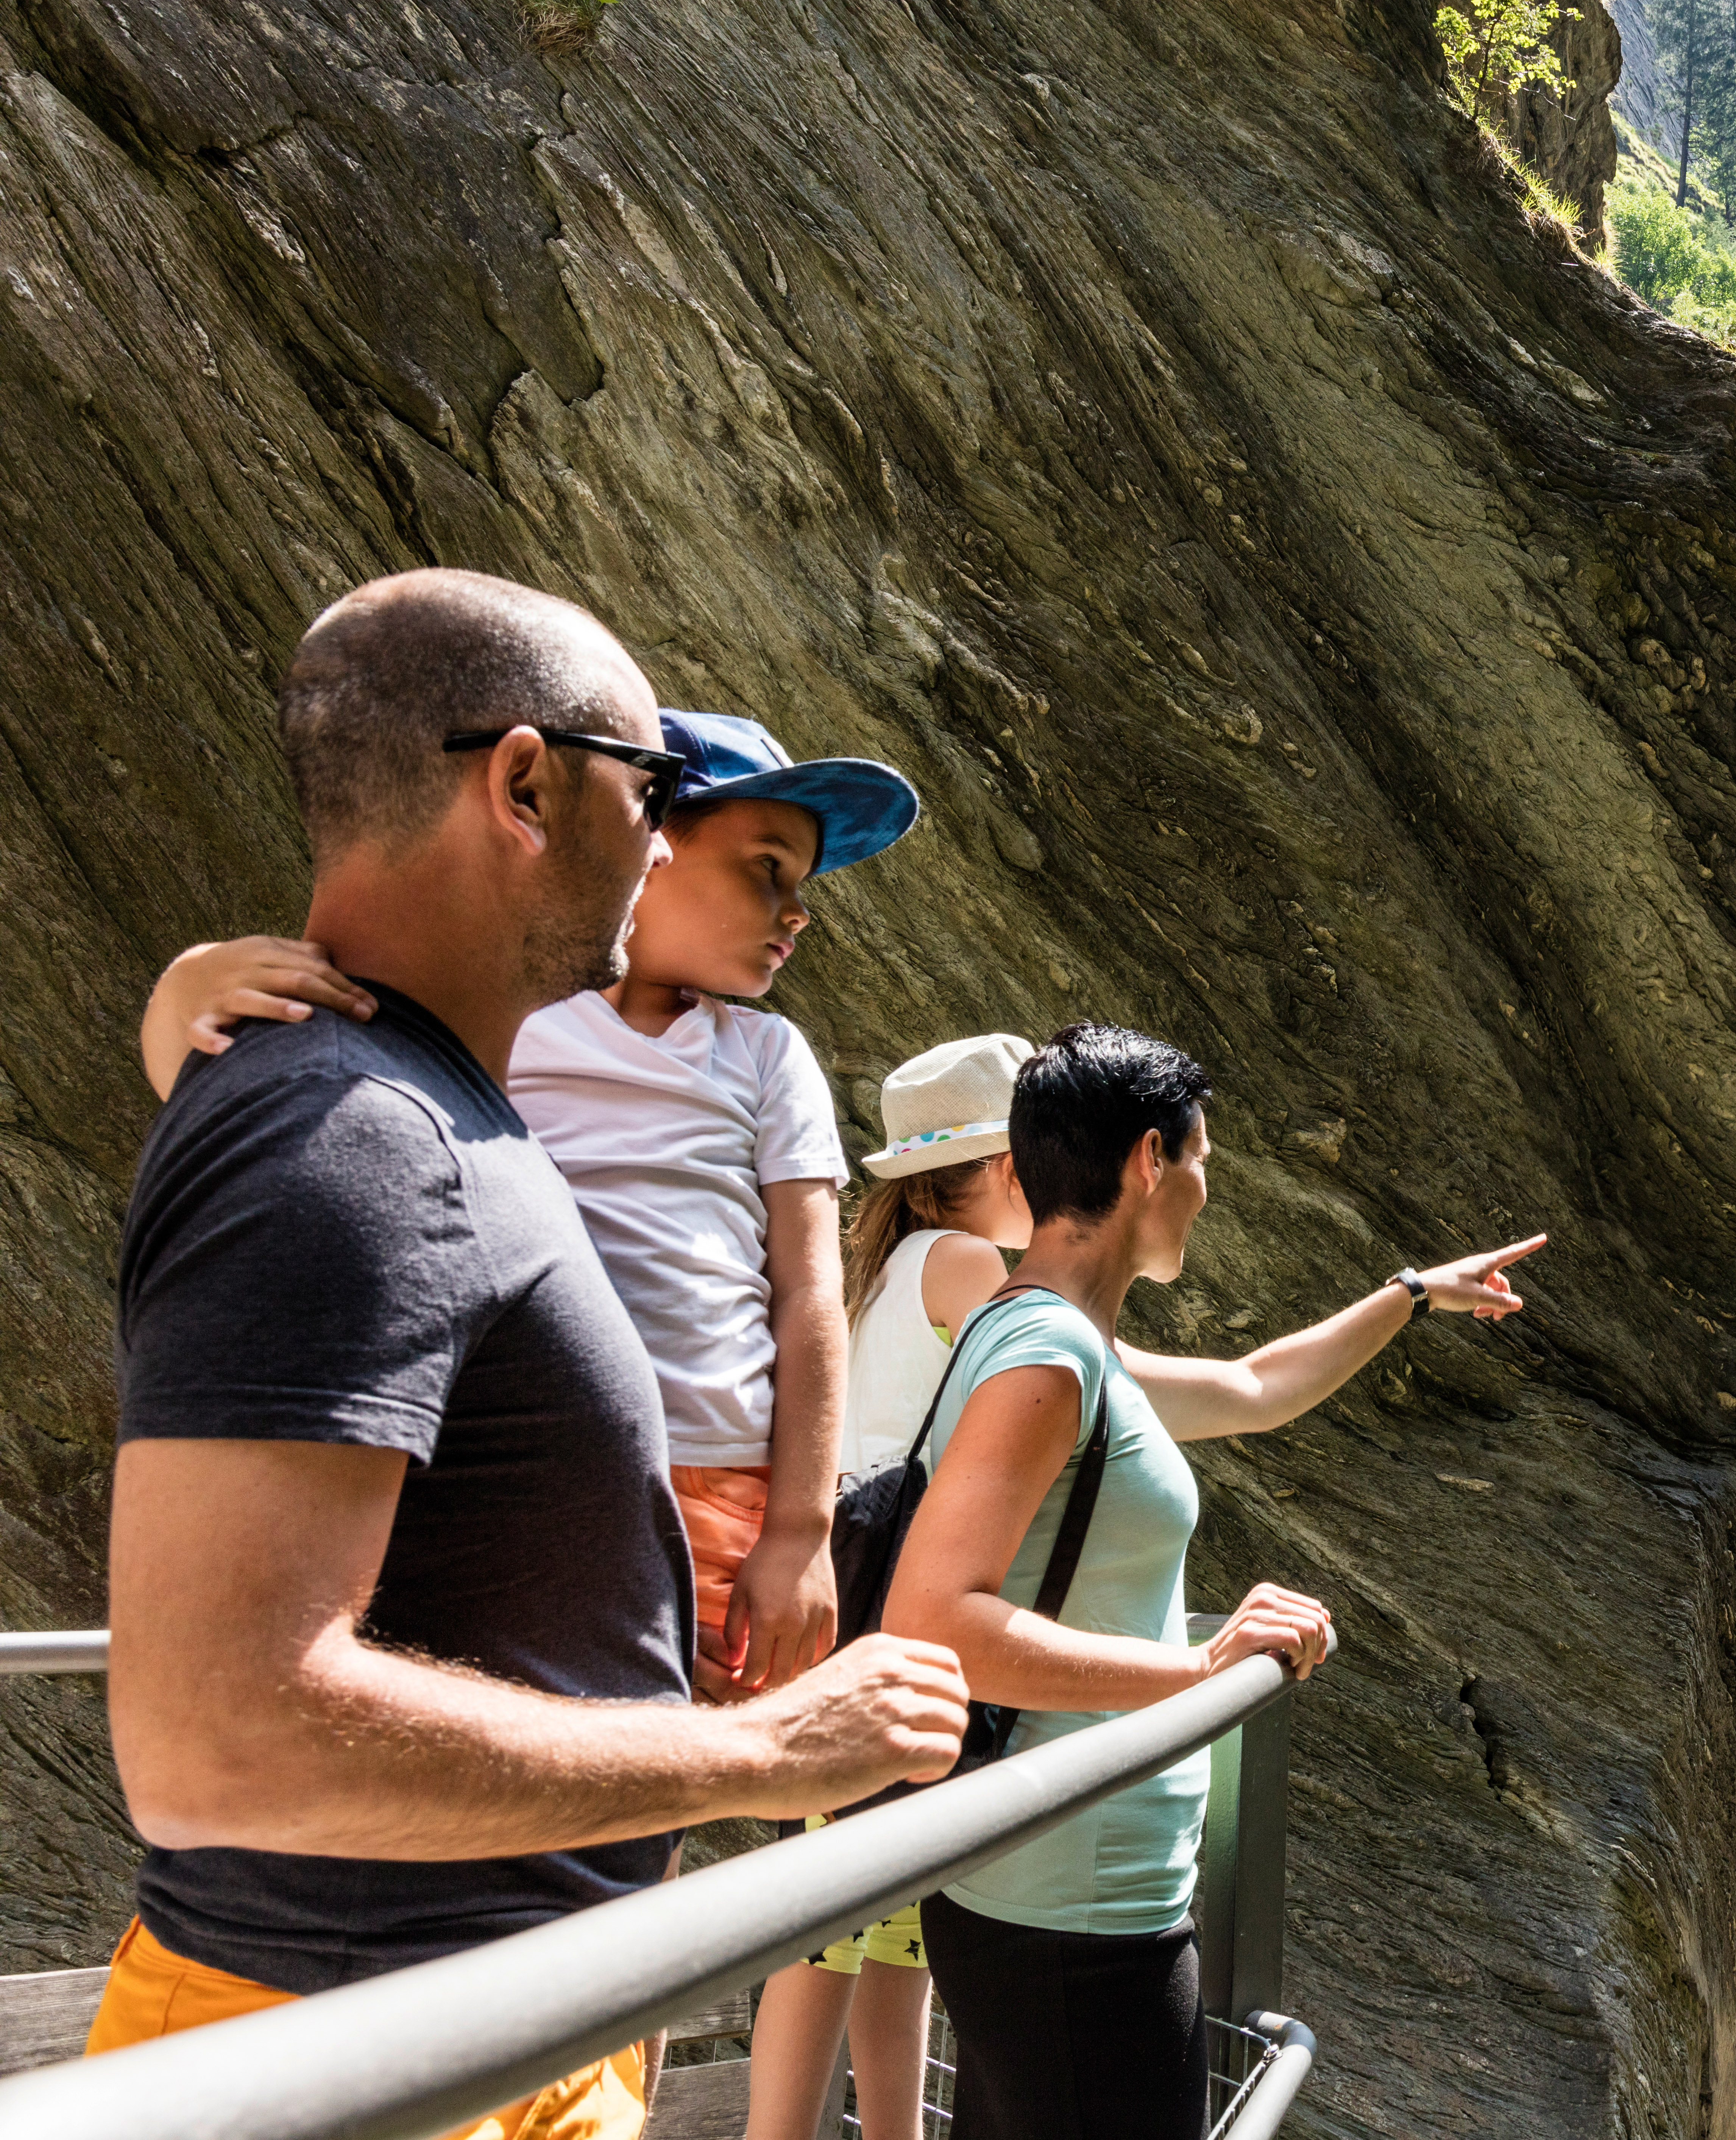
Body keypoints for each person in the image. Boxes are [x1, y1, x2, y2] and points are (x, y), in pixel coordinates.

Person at [98, 569, 965, 2137]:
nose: (656, 836)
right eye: (650, 792)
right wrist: (753, 1748)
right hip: (351, 2039)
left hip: (484, 2019)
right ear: (523, 782)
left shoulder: (424, 1112)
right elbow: (216, 1736)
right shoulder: (352, 1134)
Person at [146, 710, 924, 1707]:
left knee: (668, 1761)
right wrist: (184, 993)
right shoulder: (509, 1008)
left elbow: (809, 1298)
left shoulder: (767, 1056)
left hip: (720, 1474)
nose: (797, 911)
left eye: (803, 885)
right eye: (768, 868)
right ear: (646, 845)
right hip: (527, 1450)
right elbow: (292, 1092)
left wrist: (800, 1535)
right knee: (519, 1729)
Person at [885, 1022, 1544, 2140]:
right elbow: (936, 1623)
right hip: (1073, 1912)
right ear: (1150, 1160)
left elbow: (1250, 1386)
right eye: (1202, 1163)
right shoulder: (1046, 1358)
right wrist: (1196, 1668)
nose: (1204, 1191)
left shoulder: (1061, 1338)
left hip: (1061, 1891)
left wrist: (1413, 1294)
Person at [746, 1034, 1040, 2140]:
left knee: (868, 1917)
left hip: (846, 1603)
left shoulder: (883, 1267)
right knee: (846, 1920)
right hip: (904, 1609)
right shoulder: (967, 1269)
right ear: (1008, 1166)